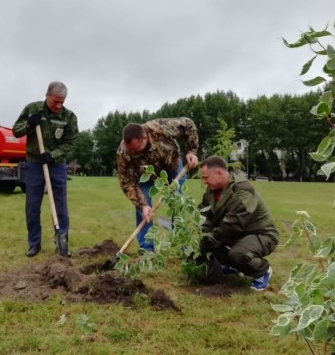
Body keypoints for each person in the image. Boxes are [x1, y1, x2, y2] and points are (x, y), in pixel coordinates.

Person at [12, 81, 78, 257]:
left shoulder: (69, 117)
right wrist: (28, 126)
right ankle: (34, 243)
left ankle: (61, 242)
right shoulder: (32, 109)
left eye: (61, 102)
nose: (58, 105)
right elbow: (16, 131)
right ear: (47, 95)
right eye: (54, 101)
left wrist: (54, 155)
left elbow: (71, 143)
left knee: (60, 206)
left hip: (56, 165)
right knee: (32, 205)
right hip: (34, 164)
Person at [116, 117, 199, 252]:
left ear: (145, 137)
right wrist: (142, 205)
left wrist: (191, 151)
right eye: (130, 150)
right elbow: (126, 181)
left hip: (171, 167)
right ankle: (147, 249)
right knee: (143, 209)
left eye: (136, 149)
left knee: (177, 203)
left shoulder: (160, 128)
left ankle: (181, 245)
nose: (133, 152)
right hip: (145, 175)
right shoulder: (123, 151)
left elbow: (188, 124)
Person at [198, 155, 279, 291]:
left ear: (219, 173)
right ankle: (233, 266)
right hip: (238, 234)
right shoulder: (212, 190)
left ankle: (262, 270)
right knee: (205, 242)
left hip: (261, 234)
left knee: (237, 254)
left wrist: (210, 239)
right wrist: (201, 233)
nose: (204, 182)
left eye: (206, 177)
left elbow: (233, 224)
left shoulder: (243, 190)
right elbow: (206, 214)